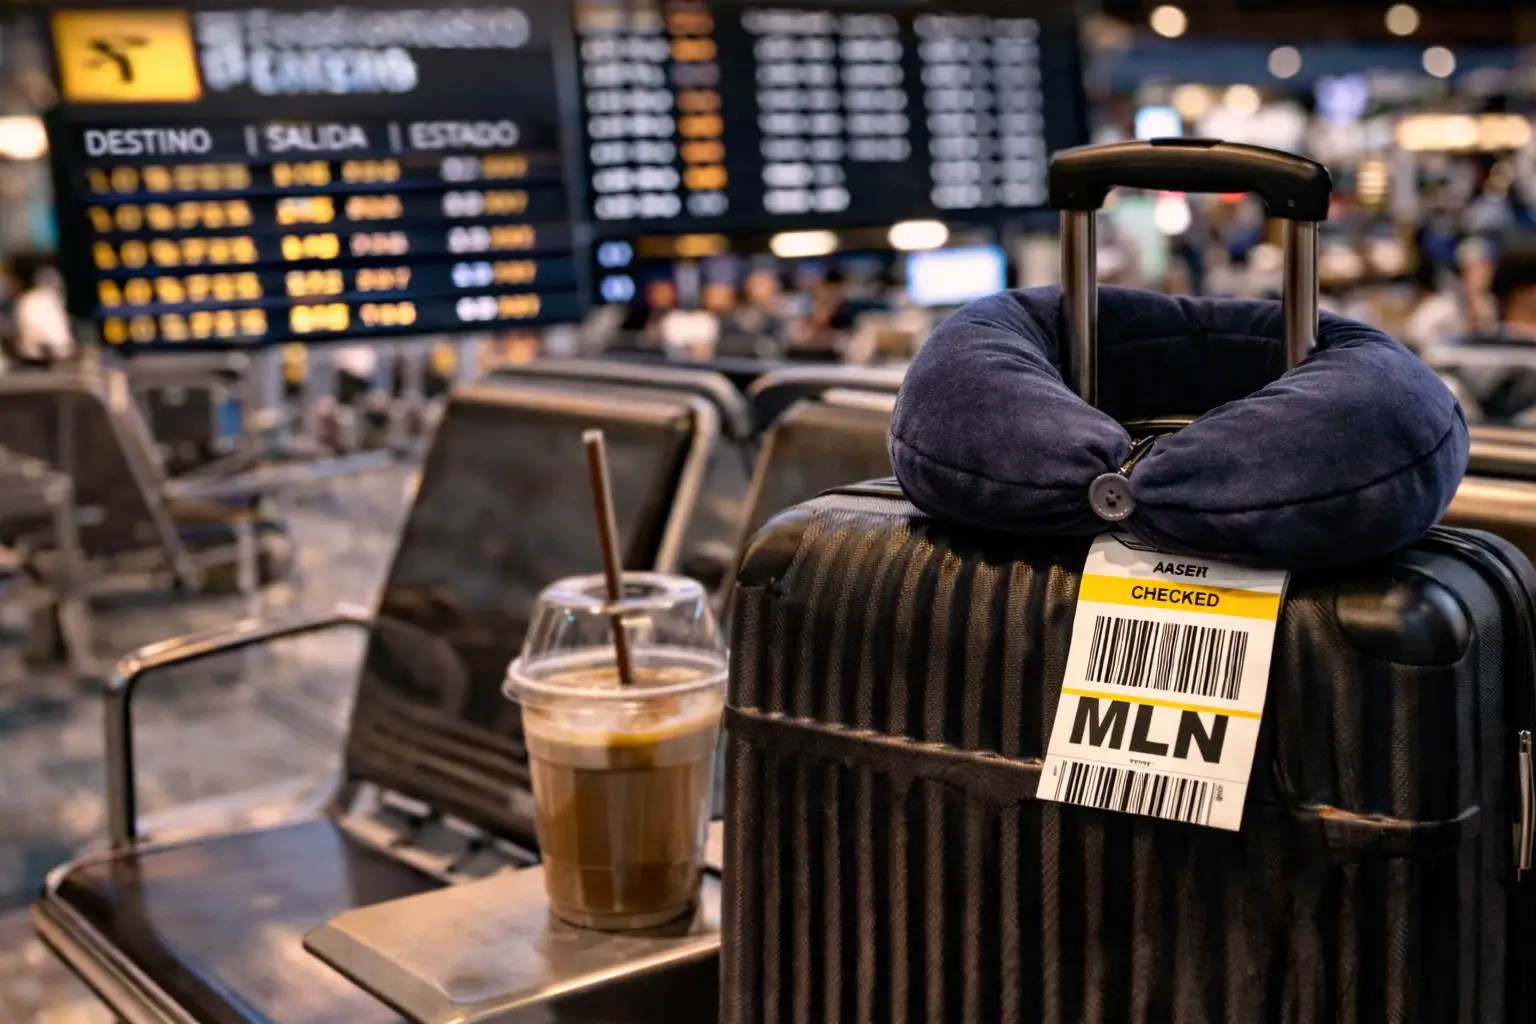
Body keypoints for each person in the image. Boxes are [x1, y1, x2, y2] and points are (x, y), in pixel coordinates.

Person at [0, 252, 75, 368]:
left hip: (42, 361)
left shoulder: (27, 302)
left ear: (18, 280)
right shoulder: (48, 296)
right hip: (61, 356)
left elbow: (34, 345)